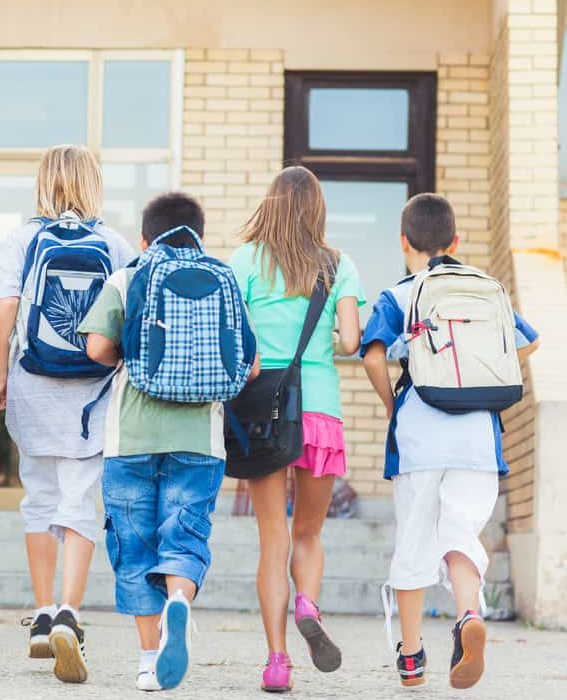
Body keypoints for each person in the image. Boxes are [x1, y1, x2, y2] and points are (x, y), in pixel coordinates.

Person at [79, 192, 258, 692]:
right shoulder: (223, 278)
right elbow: (251, 363)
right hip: (200, 438)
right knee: (184, 537)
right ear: (199, 233)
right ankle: (179, 599)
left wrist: (128, 351)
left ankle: (146, 659)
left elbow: (96, 346)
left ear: (145, 236)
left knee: (135, 548)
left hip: (130, 437)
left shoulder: (129, 276)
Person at [360, 193, 539, 690]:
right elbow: (531, 341)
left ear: (403, 243)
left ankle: (413, 657)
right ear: (456, 241)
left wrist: (392, 405)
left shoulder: (398, 294)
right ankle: (466, 617)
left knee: (415, 540)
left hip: (420, 432)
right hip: (478, 435)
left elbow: (374, 357)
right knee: (461, 535)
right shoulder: (489, 290)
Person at [0, 145, 134, 684]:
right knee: (79, 499)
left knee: (38, 496)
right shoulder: (114, 243)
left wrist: (0, 373)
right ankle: (70, 614)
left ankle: (43, 613)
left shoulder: (21, 239)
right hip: (92, 392)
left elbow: (6, 307)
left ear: (43, 183)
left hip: (32, 381)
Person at [228, 165, 364, 693]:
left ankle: (277, 661)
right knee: (309, 532)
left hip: (262, 412)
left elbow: (235, 336)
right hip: (320, 411)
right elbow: (351, 341)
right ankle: (308, 601)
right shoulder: (338, 263)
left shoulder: (245, 260)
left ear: (272, 204)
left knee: (272, 540)